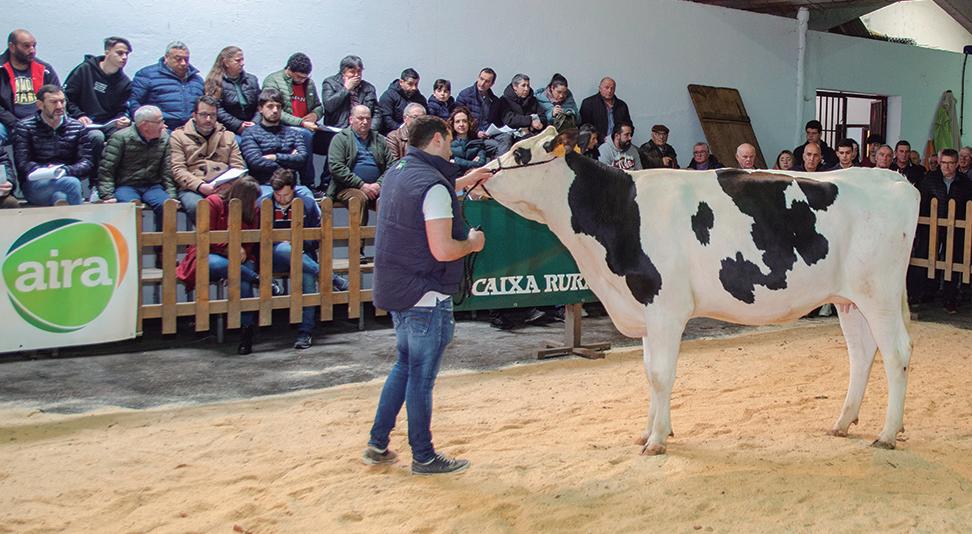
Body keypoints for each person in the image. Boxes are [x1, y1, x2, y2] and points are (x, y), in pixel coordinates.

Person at [364, 114, 492, 475]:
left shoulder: (398, 171)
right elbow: (443, 249)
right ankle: (423, 455)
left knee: (404, 365)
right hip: (425, 293)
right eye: (448, 140)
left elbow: (432, 190)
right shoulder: (433, 187)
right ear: (437, 139)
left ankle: (377, 443)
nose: (451, 146)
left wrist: (468, 179)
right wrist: (473, 243)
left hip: (397, 287)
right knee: (421, 377)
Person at [176, 176, 262, 354]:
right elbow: (206, 236)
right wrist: (230, 247)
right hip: (209, 254)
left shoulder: (253, 210)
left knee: (243, 281)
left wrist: (241, 253)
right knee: (221, 265)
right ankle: (257, 279)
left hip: (240, 258)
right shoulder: (214, 203)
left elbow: (250, 241)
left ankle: (246, 331)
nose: (255, 203)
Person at [265, 168, 349, 349]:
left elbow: (316, 237)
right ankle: (331, 278)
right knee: (284, 249)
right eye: (277, 195)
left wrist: (298, 244)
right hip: (274, 256)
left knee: (308, 281)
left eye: (286, 195)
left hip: (304, 256)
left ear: (294, 189)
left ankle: (305, 332)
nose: (281, 199)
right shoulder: (265, 205)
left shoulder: (307, 204)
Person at [63, 36, 133, 182]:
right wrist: (79, 115)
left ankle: (121, 181)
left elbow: (121, 109)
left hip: (107, 123)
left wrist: (123, 118)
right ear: (107, 52)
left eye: (127, 54)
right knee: (96, 137)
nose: (124, 57)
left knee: (127, 135)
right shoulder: (85, 70)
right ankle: (95, 181)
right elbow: (68, 98)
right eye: (120, 53)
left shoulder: (124, 82)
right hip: (83, 122)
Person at [910, 149, 972, 312]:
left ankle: (950, 297)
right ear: (939, 162)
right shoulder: (930, 179)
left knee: (953, 261)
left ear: (957, 164)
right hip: (930, 225)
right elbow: (922, 201)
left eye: (950, 163)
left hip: (956, 228)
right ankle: (921, 293)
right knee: (925, 257)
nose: (946, 166)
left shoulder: (965, 183)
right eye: (944, 162)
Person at [169, 95, 246, 220]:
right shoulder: (178, 136)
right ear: (194, 115)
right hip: (193, 187)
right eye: (203, 115)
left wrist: (228, 185)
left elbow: (238, 167)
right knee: (198, 206)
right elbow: (178, 169)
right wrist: (200, 186)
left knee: (244, 202)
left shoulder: (228, 136)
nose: (208, 119)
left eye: (213, 115)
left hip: (224, 186)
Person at [13, 84, 92, 206]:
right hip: (36, 183)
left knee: (60, 196)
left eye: (62, 101)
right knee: (71, 184)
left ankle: (66, 213)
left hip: (66, 175)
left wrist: (65, 170)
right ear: (40, 105)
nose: (60, 106)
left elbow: (86, 162)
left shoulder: (77, 127)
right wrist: (47, 170)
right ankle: (79, 217)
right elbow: (23, 163)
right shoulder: (25, 127)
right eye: (53, 102)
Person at [97, 105, 176, 225]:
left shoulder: (164, 138)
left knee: (166, 206)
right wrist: (107, 195)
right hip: (125, 185)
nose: (163, 125)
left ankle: (163, 238)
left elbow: (167, 171)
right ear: (144, 125)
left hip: (152, 185)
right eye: (159, 122)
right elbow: (106, 169)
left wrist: (172, 196)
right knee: (130, 208)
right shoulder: (120, 138)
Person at [262, 53, 324, 190]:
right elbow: (276, 112)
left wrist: (315, 114)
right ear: (289, 70)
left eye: (305, 77)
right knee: (305, 135)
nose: (302, 80)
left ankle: (326, 184)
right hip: (285, 127)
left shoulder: (308, 83)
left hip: (309, 125)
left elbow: (319, 106)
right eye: (299, 77)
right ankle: (309, 183)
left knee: (335, 139)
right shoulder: (273, 81)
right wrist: (301, 122)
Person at [327, 104, 392, 225]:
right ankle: (358, 237)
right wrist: (361, 185)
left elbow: (391, 166)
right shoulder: (340, 139)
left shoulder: (379, 139)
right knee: (359, 198)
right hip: (347, 188)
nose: (365, 122)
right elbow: (336, 168)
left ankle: (386, 235)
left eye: (368, 118)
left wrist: (379, 184)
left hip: (376, 188)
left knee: (393, 197)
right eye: (361, 118)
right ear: (351, 120)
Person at [127, 41, 204, 130]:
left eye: (186, 59)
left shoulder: (197, 80)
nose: (183, 63)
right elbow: (133, 102)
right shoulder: (147, 75)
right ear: (166, 58)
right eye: (178, 59)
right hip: (159, 129)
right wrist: (150, 124)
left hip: (191, 130)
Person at [1, 29, 59, 145]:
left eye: (34, 46)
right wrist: (15, 124)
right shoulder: (1, 69)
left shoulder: (45, 69)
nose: (32, 50)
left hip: (41, 122)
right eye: (26, 46)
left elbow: (58, 96)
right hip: (8, 123)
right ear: (12, 47)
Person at [204, 46, 259, 135]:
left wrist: (254, 122)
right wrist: (239, 125)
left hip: (254, 126)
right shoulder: (215, 82)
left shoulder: (252, 80)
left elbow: (261, 105)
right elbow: (217, 109)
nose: (242, 63)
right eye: (238, 60)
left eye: (242, 59)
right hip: (228, 129)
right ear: (226, 63)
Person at [320, 55, 379, 130]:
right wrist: (346, 89)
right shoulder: (330, 83)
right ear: (343, 73)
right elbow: (329, 106)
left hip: (363, 130)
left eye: (359, 71)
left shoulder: (368, 88)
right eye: (352, 72)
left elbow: (377, 113)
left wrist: (370, 130)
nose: (356, 75)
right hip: (338, 129)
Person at [455, 67, 505, 156]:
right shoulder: (465, 95)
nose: (482, 84)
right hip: (471, 136)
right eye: (481, 79)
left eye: (487, 81)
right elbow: (458, 120)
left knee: (507, 138)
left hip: (488, 134)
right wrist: (476, 132)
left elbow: (496, 121)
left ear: (492, 84)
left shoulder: (494, 101)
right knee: (498, 146)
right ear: (478, 78)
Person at [580, 76, 632, 142]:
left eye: (612, 88)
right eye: (607, 88)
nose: (609, 91)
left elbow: (629, 126)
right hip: (596, 143)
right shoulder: (588, 103)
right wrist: (601, 138)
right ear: (600, 88)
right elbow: (584, 128)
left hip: (619, 142)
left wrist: (623, 137)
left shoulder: (622, 105)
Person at [377, 68, 427, 135]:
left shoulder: (420, 98)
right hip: (392, 134)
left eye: (416, 84)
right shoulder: (388, 96)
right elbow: (386, 120)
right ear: (401, 82)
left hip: (417, 133)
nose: (414, 88)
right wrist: (402, 128)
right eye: (410, 84)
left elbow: (427, 116)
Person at [499, 73, 546, 139]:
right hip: (513, 135)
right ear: (515, 87)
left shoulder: (532, 99)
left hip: (533, 132)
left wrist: (540, 122)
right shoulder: (504, 100)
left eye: (528, 86)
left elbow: (542, 115)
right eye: (523, 85)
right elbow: (509, 120)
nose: (526, 89)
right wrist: (530, 120)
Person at [448, 106, 486, 172]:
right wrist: (472, 163)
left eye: (464, 121)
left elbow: (481, 164)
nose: (461, 124)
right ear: (453, 124)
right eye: (457, 121)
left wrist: (456, 161)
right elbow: (447, 163)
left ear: (469, 123)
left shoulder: (478, 143)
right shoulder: (447, 144)